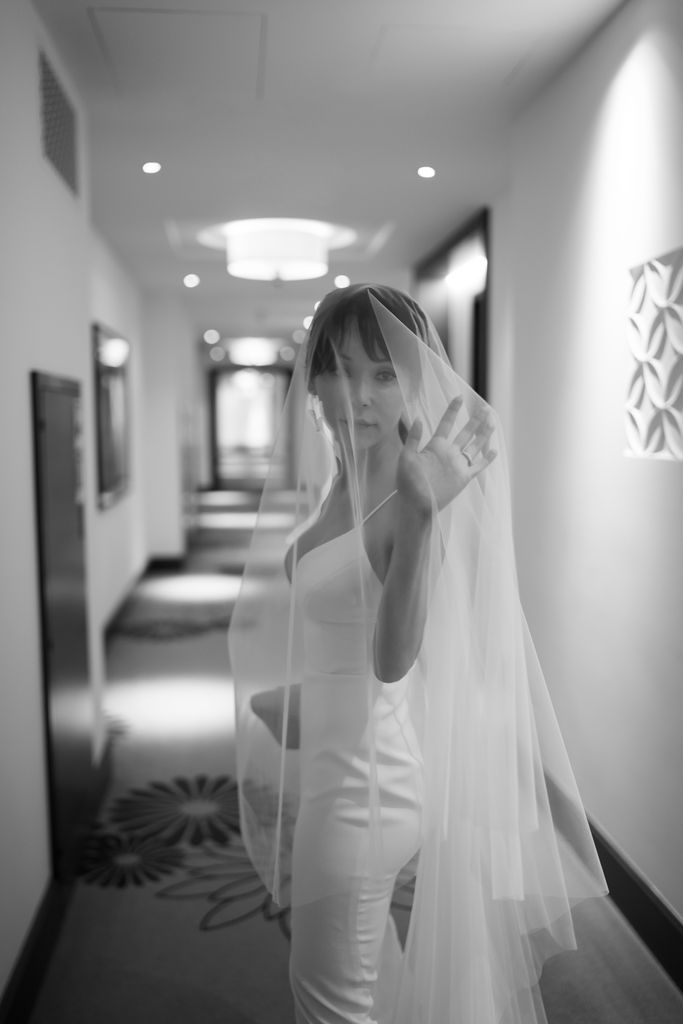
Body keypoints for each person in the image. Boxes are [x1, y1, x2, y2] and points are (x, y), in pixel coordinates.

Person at [228, 284, 607, 1024]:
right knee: (371, 971)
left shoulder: (407, 494)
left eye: (382, 373)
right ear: (313, 382)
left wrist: (422, 514)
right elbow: (343, 643)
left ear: (412, 382)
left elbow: (393, 658)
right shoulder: (346, 481)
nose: (359, 395)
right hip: (346, 764)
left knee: (325, 996)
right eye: (340, 370)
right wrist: (297, 702)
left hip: (365, 792)